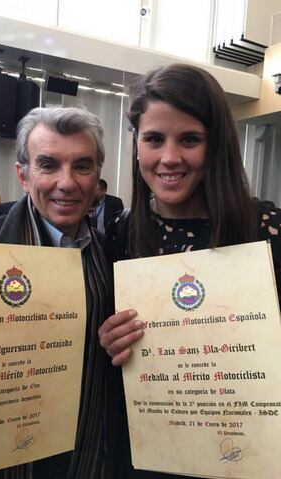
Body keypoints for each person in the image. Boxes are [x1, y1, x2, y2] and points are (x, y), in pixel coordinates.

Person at [98, 63, 281, 478]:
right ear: (137, 145)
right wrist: (106, 339)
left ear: (215, 146)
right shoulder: (118, 233)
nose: (169, 158)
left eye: (190, 140)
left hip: (242, 450)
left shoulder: (265, 231)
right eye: (154, 139)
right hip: (146, 450)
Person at [0, 106, 120, 479]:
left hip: (86, 456)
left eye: (82, 166)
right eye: (48, 165)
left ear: (97, 177)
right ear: (23, 175)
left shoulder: (112, 255)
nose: (67, 182)